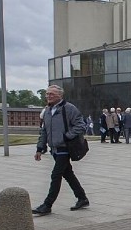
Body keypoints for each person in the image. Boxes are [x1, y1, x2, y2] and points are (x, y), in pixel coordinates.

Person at [32, 85, 89, 215]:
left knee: (56, 175)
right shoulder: (47, 111)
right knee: (68, 174)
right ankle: (82, 198)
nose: (48, 96)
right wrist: (40, 148)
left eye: (51, 94)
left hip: (65, 148)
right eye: (47, 94)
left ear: (60, 95)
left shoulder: (69, 109)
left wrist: (66, 136)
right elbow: (44, 131)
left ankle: (47, 205)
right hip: (54, 150)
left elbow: (81, 125)